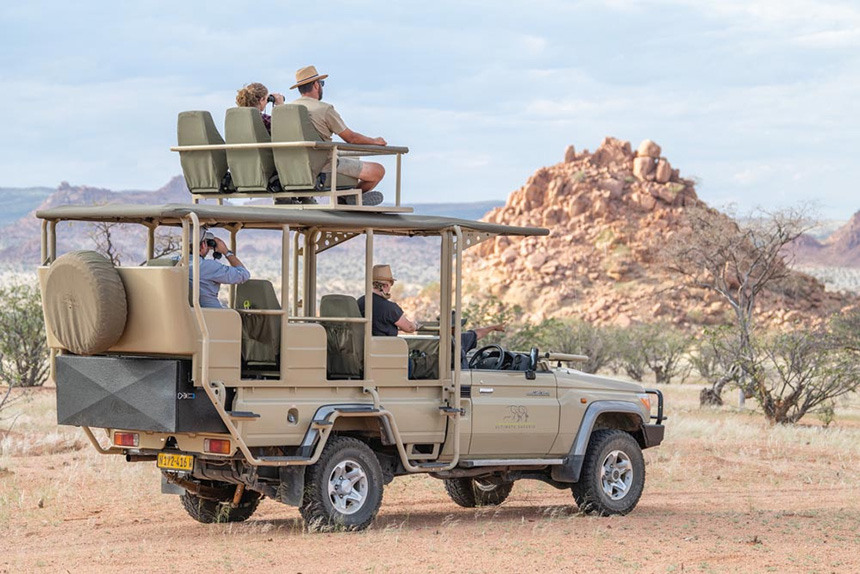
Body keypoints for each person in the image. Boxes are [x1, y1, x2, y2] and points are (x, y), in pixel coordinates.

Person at [290, 65, 387, 206]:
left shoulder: (288, 110)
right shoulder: (324, 109)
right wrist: (374, 141)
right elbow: (351, 138)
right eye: (321, 83)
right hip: (325, 166)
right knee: (378, 170)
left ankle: (346, 199)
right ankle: (349, 199)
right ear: (316, 85)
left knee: (351, 158)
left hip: (296, 167)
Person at [190, 231, 251, 308]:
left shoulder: (175, 263)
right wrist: (226, 252)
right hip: (211, 314)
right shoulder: (208, 266)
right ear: (203, 245)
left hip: (186, 314)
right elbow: (243, 274)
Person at [357, 264, 420, 336]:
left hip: (362, 346)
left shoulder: (359, 302)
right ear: (386, 285)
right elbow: (409, 328)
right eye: (391, 284)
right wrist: (415, 325)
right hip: (385, 346)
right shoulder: (390, 308)